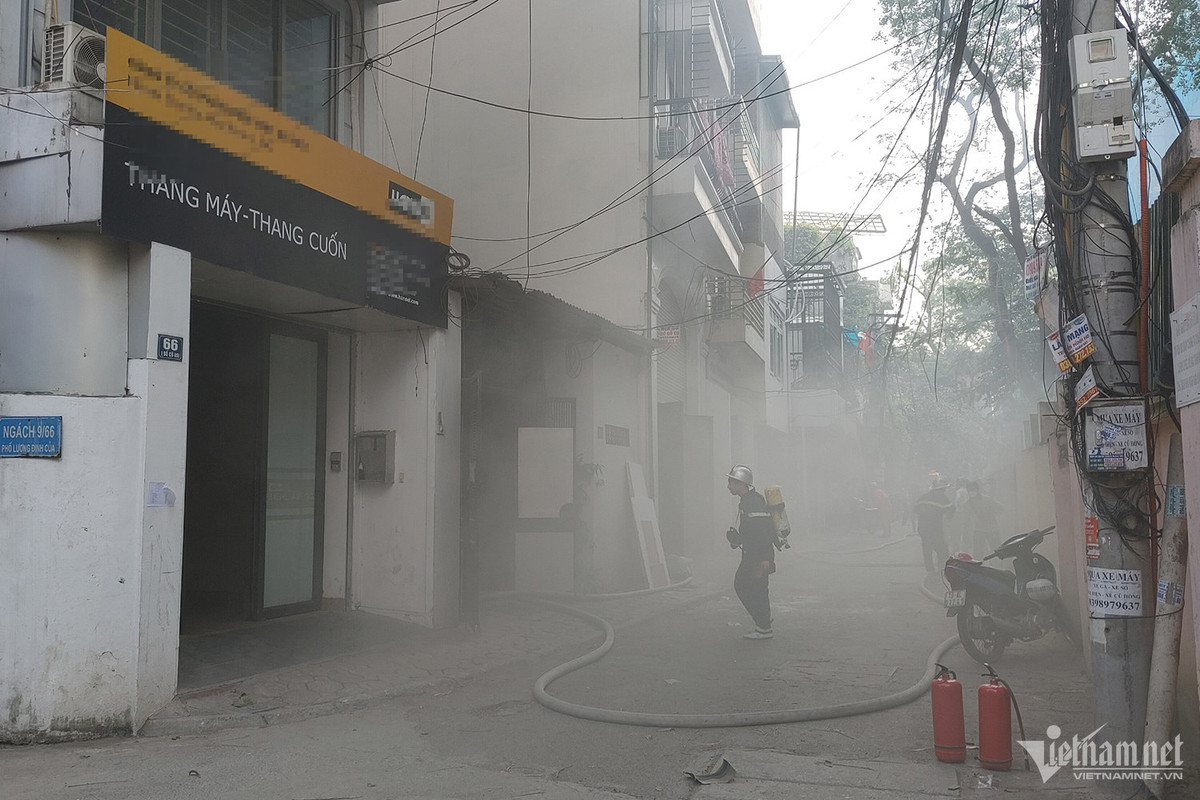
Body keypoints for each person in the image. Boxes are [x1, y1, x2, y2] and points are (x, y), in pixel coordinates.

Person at [724, 464, 776, 639]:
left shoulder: (752, 502)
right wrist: (737, 540)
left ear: (740, 483)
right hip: (753, 553)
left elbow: (762, 531)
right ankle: (763, 623)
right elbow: (753, 532)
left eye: (731, 482)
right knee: (757, 589)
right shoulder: (749, 501)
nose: (728, 486)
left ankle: (763, 624)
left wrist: (765, 558)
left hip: (757, 556)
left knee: (744, 585)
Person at [914, 477, 955, 576]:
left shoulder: (923, 497)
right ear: (941, 489)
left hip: (922, 527)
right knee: (942, 549)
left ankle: (930, 570)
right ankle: (942, 569)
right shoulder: (942, 498)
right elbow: (951, 510)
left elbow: (915, 510)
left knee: (927, 549)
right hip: (935, 528)